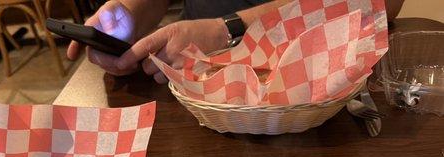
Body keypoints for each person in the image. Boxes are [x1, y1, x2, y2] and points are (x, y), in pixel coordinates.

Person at [67, 0, 405, 83]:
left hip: (331, 80)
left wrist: (225, 30)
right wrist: (127, 14)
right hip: (196, 90)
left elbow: (381, 4)